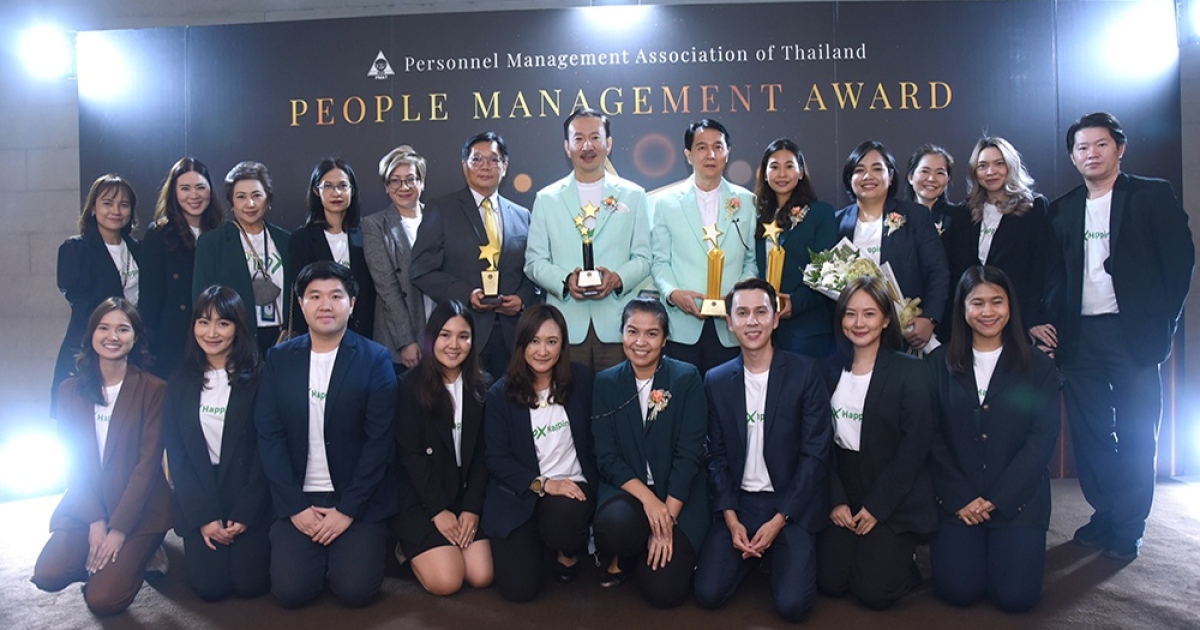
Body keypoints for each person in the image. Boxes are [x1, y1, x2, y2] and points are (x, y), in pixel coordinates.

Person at [1040, 112, 1194, 561]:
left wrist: (1163, 321)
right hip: (1080, 337)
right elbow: (1054, 276)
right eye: (1082, 147)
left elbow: (1179, 263)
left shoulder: (1151, 195)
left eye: (1101, 144)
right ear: (1073, 157)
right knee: (1090, 434)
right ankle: (1105, 512)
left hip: (1133, 338)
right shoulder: (1063, 209)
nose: (1091, 153)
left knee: (1137, 432)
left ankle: (1129, 525)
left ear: (1120, 148)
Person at [255, 261, 398, 608]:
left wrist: (347, 509)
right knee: (290, 592)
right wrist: (295, 506)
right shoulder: (279, 359)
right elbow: (269, 435)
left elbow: (380, 442)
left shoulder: (375, 359)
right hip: (298, 496)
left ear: (352, 302)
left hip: (354, 496)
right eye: (314, 296)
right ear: (301, 304)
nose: (325, 305)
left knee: (355, 592)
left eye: (336, 296)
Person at [693, 279, 832, 622]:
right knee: (707, 593)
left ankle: (773, 553)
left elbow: (815, 455)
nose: (752, 321)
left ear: (776, 318)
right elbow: (715, 456)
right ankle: (756, 555)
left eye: (760, 312)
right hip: (740, 503)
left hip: (789, 503)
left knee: (793, 607)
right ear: (729, 322)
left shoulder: (805, 372)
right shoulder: (715, 380)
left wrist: (780, 518)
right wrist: (730, 517)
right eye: (742, 313)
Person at [927, 266, 1060, 612]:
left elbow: (1042, 439)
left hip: (1018, 499)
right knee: (958, 590)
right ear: (963, 308)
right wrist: (960, 496)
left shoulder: (1039, 366)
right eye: (977, 303)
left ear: (1010, 306)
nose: (987, 312)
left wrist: (999, 499)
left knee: (1016, 598)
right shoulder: (937, 364)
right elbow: (931, 436)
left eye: (997, 302)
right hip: (958, 499)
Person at [32, 298, 172, 616]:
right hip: (88, 505)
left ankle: (140, 556)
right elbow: (73, 463)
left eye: (123, 329)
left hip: (139, 509)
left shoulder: (154, 389)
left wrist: (118, 530)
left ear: (135, 337)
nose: (112, 336)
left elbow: (147, 467)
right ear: (91, 334)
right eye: (104, 328)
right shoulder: (69, 390)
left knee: (103, 600)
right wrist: (96, 522)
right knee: (48, 573)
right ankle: (100, 564)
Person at [816, 276, 936, 610]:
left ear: (885, 319)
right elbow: (819, 444)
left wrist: (878, 506)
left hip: (892, 489)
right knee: (830, 581)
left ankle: (904, 561)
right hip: (844, 485)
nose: (859, 323)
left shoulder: (910, 371)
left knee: (874, 593)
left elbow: (915, 447)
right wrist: (835, 500)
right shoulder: (827, 370)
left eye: (869, 314)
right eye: (850, 313)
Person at [591, 298, 709, 608]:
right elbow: (606, 457)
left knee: (663, 591)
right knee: (614, 528)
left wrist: (666, 520)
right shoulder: (605, 383)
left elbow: (689, 455)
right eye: (632, 331)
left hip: (678, 494)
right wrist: (650, 502)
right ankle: (627, 549)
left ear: (665, 339)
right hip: (630, 491)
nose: (640, 342)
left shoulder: (686, 378)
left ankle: (651, 546)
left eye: (652, 333)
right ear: (622, 334)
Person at [162, 285, 271, 602]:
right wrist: (204, 518)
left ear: (238, 328)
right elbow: (177, 456)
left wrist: (246, 512)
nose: (211, 333)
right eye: (203, 322)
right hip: (200, 491)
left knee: (250, 585)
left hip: (246, 490)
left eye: (223, 323)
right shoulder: (179, 382)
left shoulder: (260, 378)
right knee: (211, 589)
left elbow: (265, 451)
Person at [482, 304, 597, 602]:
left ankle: (567, 551)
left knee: (562, 523)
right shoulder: (500, 394)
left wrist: (559, 486)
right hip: (520, 493)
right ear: (521, 343)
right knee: (519, 590)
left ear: (563, 345)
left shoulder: (582, 381)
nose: (543, 351)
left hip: (571, 487)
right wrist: (543, 484)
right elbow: (496, 459)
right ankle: (533, 541)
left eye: (551, 341)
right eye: (534, 341)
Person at [525, 107, 652, 373]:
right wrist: (565, 281)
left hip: (619, 324)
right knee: (569, 396)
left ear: (609, 143)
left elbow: (644, 257)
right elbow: (534, 261)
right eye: (578, 138)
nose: (587, 146)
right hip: (564, 326)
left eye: (595, 137)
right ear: (567, 146)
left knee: (618, 396)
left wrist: (617, 278)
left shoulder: (633, 195)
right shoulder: (547, 199)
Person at [411, 131, 539, 378]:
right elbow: (421, 269)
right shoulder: (441, 209)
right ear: (464, 165)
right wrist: (466, 295)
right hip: (462, 334)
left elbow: (533, 270)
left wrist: (522, 300)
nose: (485, 166)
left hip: (512, 336)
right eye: (477, 159)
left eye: (493, 159)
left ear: (505, 166)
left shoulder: (522, 215)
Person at [394, 300, 493, 596]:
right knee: (448, 581)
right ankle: (406, 548)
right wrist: (438, 511)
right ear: (431, 338)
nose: (454, 345)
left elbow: (483, 456)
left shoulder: (482, 385)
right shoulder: (408, 387)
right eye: (445, 335)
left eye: (463, 336)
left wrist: (472, 509)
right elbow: (411, 456)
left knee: (481, 575)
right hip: (423, 499)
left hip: (464, 495)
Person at [650, 119, 757, 374]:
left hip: (730, 326)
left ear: (728, 153)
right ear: (688, 155)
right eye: (702, 147)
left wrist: (736, 298)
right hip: (681, 326)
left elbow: (751, 261)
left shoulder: (747, 201)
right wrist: (673, 293)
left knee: (726, 395)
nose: (711, 154)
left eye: (718, 147)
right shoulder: (665, 202)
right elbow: (659, 261)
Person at [835, 141, 949, 352]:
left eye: (877, 169)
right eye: (859, 170)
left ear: (890, 175)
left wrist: (930, 318)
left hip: (905, 335)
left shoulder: (915, 216)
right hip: (853, 336)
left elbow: (937, 271)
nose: (868, 176)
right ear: (849, 178)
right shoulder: (837, 222)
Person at [943, 137, 1053, 338]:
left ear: (1011, 166)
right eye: (982, 166)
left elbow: (1040, 268)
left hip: (1018, 317)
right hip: (973, 319)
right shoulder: (964, 212)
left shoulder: (1034, 207)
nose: (990, 172)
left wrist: (1032, 318)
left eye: (999, 164)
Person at [53, 175, 143, 416]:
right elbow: (80, 301)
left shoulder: (139, 249)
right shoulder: (75, 249)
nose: (116, 211)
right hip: (88, 345)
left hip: (132, 347)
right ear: (93, 207)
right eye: (107, 203)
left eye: (123, 205)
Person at [192, 161, 292, 356]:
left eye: (257, 195)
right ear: (232, 202)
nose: (250, 204)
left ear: (268, 199)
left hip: (281, 338)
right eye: (241, 197)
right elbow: (201, 299)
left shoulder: (286, 240)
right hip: (235, 339)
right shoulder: (212, 242)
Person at [752, 138, 838, 358]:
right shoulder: (756, 218)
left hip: (806, 330)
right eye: (774, 167)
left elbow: (827, 272)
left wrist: (795, 303)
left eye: (789, 166)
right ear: (765, 174)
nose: (782, 174)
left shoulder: (820, 213)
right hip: (761, 330)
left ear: (800, 172)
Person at [140, 158, 224, 380]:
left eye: (200, 187)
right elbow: (150, 298)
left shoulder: (222, 233)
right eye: (185, 188)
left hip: (216, 339)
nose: (193, 195)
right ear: (174, 193)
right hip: (172, 344)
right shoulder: (159, 234)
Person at [363, 145, 432, 374]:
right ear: (386, 186)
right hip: (398, 341)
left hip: (441, 333)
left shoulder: (438, 217)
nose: (404, 187)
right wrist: (406, 341)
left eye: (411, 179)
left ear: (422, 182)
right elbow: (387, 288)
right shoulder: (374, 226)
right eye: (395, 181)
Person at [289, 157, 376, 339]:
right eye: (328, 186)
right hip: (320, 334)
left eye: (343, 186)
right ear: (316, 191)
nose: (336, 193)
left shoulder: (367, 234)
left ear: (352, 190)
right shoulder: (302, 239)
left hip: (363, 334)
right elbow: (301, 292)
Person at [904, 144, 959, 237]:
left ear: (948, 180)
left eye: (940, 173)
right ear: (911, 178)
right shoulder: (895, 215)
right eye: (925, 171)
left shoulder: (958, 217)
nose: (931, 179)